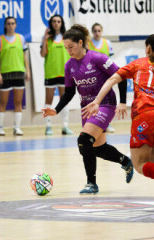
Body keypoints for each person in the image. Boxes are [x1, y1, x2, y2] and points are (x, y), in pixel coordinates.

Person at [82, 30, 154, 211]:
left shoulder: (139, 64)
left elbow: (112, 79)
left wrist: (96, 101)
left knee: (139, 164)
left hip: (145, 115)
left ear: (148, 48)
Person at [42, 24, 133, 194]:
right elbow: (69, 92)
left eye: (71, 47)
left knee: (84, 140)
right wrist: (56, 109)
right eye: (66, 48)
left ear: (81, 42)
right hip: (87, 109)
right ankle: (125, 161)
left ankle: (91, 183)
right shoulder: (69, 65)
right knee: (97, 148)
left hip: (105, 104)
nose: (68, 51)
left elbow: (121, 75)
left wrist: (122, 102)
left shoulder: (98, 58)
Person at [0, 17, 31, 136]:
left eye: (12, 23)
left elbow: (25, 55)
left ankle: (17, 127)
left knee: (18, 101)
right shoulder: (0, 39)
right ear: (5, 25)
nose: (10, 25)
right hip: (5, 74)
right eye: (8, 23)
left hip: (19, 73)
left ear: (15, 25)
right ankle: (0, 128)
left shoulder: (21, 38)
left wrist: (27, 70)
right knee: (3, 101)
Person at [40, 15, 73, 136]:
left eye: (59, 21)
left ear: (62, 23)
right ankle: (48, 126)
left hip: (64, 74)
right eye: (54, 21)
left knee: (64, 100)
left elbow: (72, 54)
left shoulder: (67, 38)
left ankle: (65, 126)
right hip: (51, 73)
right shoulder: (47, 38)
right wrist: (44, 39)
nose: (56, 23)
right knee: (48, 100)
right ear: (51, 23)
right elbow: (43, 54)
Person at [88, 23, 116, 133]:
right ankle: (95, 123)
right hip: (93, 77)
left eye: (99, 30)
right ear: (92, 32)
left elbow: (112, 59)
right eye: (94, 31)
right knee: (95, 100)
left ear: (102, 31)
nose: (97, 33)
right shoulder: (88, 44)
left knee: (107, 100)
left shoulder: (107, 43)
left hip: (105, 77)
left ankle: (107, 123)